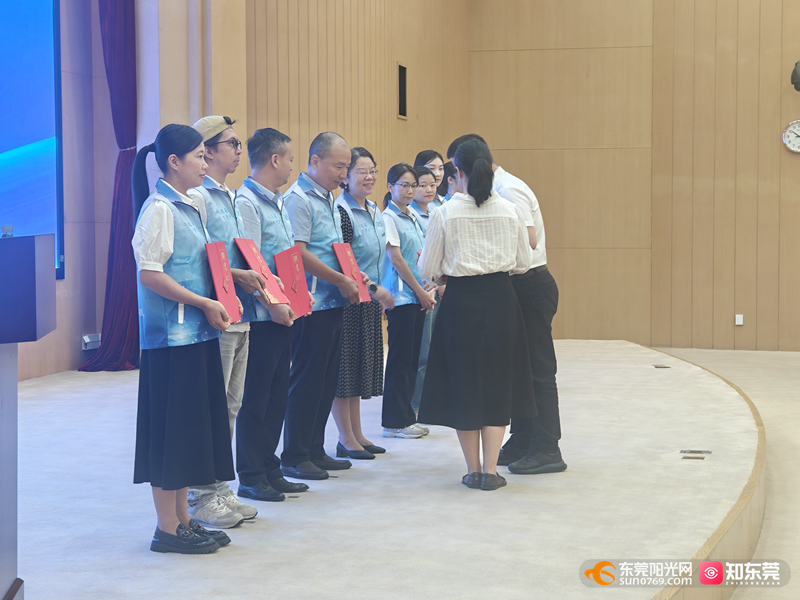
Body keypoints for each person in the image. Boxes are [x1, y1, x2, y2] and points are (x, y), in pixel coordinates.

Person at [131, 124, 237, 553]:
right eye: (198, 156)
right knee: (169, 434)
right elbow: (150, 274)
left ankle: (183, 519)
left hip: (197, 334)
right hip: (171, 342)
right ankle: (166, 528)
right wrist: (204, 302)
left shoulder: (191, 204)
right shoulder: (159, 209)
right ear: (173, 162)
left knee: (188, 432)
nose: (205, 162)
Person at [417, 139, 535, 491]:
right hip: (501, 299)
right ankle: (492, 470)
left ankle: (473, 470)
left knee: (464, 382)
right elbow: (523, 263)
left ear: (458, 171)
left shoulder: (445, 213)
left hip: (460, 302)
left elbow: (428, 269)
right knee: (498, 381)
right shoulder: (510, 210)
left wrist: (445, 277)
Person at [446, 134, 566, 476]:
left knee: (539, 371)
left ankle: (547, 446)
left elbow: (529, 241)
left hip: (529, 284)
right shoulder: (495, 188)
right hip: (515, 285)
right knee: (519, 370)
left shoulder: (507, 190)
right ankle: (524, 437)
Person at [184, 115, 259, 528]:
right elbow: (198, 259)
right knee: (212, 408)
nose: (238, 151)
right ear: (208, 151)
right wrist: (238, 275)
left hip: (239, 310)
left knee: (231, 405)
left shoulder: (229, 195)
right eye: (231, 144)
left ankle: (218, 485)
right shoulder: (198, 197)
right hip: (215, 315)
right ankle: (199, 494)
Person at [235, 127, 311, 500]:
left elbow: (285, 258)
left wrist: (297, 296)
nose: (292, 166)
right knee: (257, 398)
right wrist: (273, 303)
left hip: (285, 311)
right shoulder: (247, 202)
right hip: (263, 315)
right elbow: (252, 260)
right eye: (290, 159)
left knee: (278, 393)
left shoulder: (277, 200)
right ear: (275, 159)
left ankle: (270, 467)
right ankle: (251, 475)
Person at [282, 132, 360, 480]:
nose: (344, 175)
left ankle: (314, 449)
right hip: (310, 303)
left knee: (327, 379)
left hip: (333, 301)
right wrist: (341, 279)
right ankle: (295, 455)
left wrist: (352, 278)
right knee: (307, 378)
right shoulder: (299, 199)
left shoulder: (328, 197)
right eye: (338, 166)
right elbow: (297, 253)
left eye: (346, 168)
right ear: (315, 161)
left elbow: (333, 249)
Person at [331, 147, 395, 459]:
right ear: (346, 177)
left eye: (373, 171)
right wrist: (373, 289)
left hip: (368, 297)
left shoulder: (373, 209)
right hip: (349, 297)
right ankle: (345, 438)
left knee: (358, 370)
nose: (369, 177)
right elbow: (344, 260)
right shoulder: (341, 211)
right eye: (361, 172)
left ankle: (357, 433)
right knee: (345, 371)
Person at [381, 163, 436, 439]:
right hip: (401, 298)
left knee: (412, 360)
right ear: (390, 187)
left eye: (413, 185)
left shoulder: (411, 216)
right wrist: (420, 291)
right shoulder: (388, 217)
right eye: (404, 185)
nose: (410, 190)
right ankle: (394, 422)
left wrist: (428, 289)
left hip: (417, 297)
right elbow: (397, 259)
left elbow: (420, 257)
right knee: (400, 361)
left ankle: (406, 418)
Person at [408, 165, 440, 415]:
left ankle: (429, 399)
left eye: (432, 185)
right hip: (419, 290)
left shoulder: (435, 212)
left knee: (434, 349)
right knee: (422, 352)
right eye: (422, 185)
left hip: (436, 287)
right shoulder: (408, 215)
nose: (429, 189)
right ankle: (417, 403)